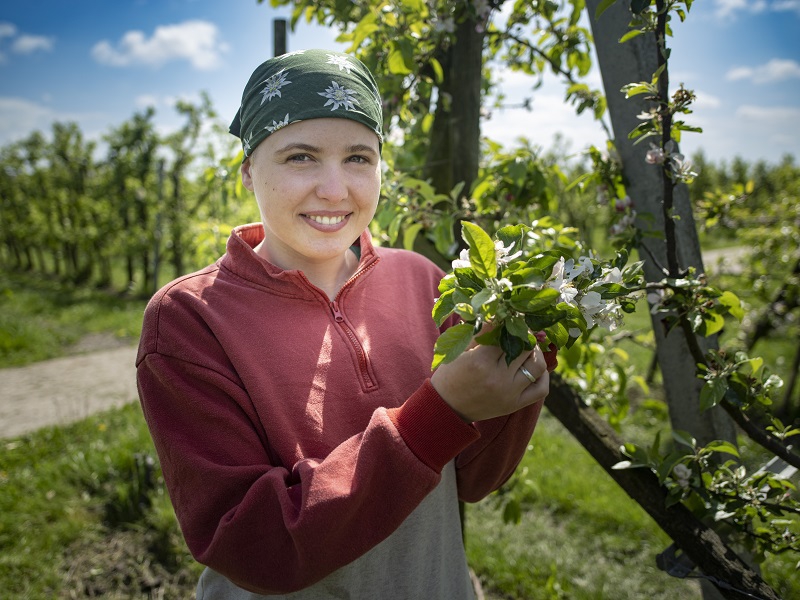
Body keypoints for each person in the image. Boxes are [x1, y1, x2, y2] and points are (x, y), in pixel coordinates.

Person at [136, 48, 557, 599]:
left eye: (359, 158)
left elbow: (473, 480)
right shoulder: (191, 320)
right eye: (301, 157)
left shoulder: (424, 281)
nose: (335, 190)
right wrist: (438, 414)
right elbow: (254, 546)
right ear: (246, 171)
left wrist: (517, 369)